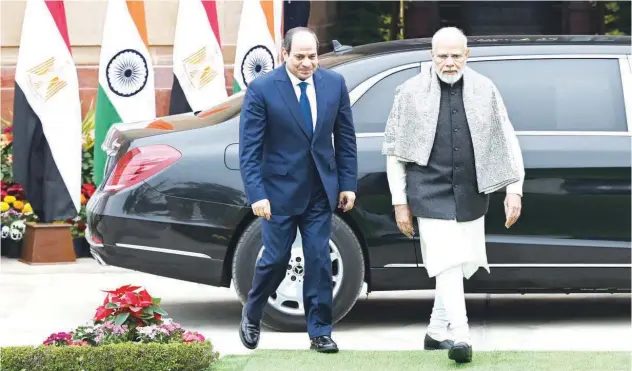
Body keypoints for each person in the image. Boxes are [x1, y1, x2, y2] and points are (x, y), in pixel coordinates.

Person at [382, 27, 525, 364]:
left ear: (467, 55)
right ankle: (461, 334)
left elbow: (507, 138)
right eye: (441, 56)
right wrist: (399, 202)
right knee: (446, 260)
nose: (448, 63)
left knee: (460, 263)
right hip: (428, 190)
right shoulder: (410, 92)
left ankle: (435, 331)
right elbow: (394, 151)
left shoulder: (485, 89)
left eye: (455, 56)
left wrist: (513, 189)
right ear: (431, 56)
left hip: (472, 190)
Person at [238, 27, 358, 353]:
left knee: (318, 259)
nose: (307, 63)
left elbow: (345, 139)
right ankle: (252, 310)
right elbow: (249, 148)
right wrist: (257, 194)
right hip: (278, 192)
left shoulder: (334, 85)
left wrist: (347, 184)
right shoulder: (263, 89)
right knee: (275, 259)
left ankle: (320, 332)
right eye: (300, 56)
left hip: (321, 189)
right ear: (284, 53)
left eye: (312, 56)